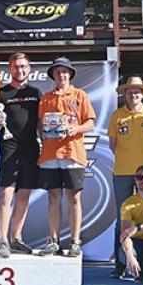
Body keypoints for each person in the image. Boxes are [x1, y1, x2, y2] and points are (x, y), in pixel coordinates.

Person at [36, 57, 97, 257]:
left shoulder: (80, 95)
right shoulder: (46, 98)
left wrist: (75, 129)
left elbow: (90, 123)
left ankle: (75, 241)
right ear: (53, 75)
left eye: (64, 71)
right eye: (57, 71)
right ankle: (53, 241)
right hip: (50, 154)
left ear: (70, 74)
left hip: (73, 153)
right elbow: (40, 125)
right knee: (53, 197)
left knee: (74, 198)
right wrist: (44, 133)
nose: (61, 75)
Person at [106, 76, 143, 276]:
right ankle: (120, 264)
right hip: (122, 171)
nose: (134, 95)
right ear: (125, 94)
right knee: (122, 218)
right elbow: (112, 144)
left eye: (137, 91)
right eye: (130, 91)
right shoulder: (117, 115)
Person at [0, 53, 42, 257]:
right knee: (6, 194)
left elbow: (41, 123)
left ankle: (16, 238)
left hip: (31, 147)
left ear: (29, 69)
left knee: (24, 195)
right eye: (15, 67)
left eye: (23, 66)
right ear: (9, 69)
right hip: (9, 147)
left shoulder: (36, 93)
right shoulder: (1, 93)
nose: (19, 70)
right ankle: (2, 240)